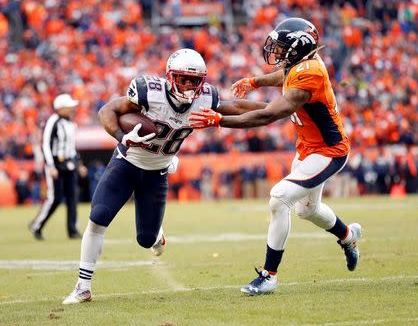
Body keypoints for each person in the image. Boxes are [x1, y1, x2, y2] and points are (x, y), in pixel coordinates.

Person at [190, 18, 362, 295]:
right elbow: (284, 77)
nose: (278, 52)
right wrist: (255, 82)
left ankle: (269, 276)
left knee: (279, 197)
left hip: (329, 151)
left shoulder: (310, 74)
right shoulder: (301, 67)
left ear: (298, 48)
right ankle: (348, 236)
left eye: (282, 48)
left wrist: (219, 120)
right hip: (308, 148)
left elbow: (268, 113)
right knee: (307, 210)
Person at [62, 48, 223, 304]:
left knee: (146, 239)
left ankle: (157, 234)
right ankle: (83, 286)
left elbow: (237, 110)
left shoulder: (207, 99)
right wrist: (121, 137)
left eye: (194, 80)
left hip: (157, 171)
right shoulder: (149, 91)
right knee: (99, 216)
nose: (189, 85)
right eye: (183, 78)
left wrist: (279, 106)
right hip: (126, 163)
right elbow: (107, 111)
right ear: (171, 77)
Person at [28, 94, 82, 240]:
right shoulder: (53, 121)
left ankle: (73, 230)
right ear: (61, 107)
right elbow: (46, 144)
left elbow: (72, 146)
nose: (72, 108)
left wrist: (79, 164)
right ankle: (37, 225)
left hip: (69, 164)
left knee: (72, 197)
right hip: (56, 164)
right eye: (69, 106)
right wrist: (50, 165)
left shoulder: (71, 123)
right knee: (55, 198)